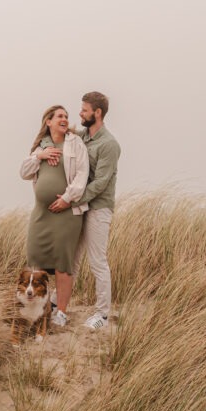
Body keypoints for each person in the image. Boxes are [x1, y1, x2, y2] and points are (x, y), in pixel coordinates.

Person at [18, 105, 90, 327]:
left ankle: (61, 312)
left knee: (62, 262)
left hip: (67, 213)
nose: (65, 119)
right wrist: (40, 156)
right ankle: (37, 309)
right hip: (41, 214)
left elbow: (82, 174)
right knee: (35, 258)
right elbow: (24, 172)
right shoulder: (41, 146)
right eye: (59, 116)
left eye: (66, 116)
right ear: (48, 121)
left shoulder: (74, 143)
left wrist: (67, 198)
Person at [65, 91, 120, 330]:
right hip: (80, 205)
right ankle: (59, 306)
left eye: (85, 110)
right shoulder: (82, 136)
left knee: (97, 261)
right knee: (72, 259)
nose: (80, 113)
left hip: (98, 208)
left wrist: (73, 200)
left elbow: (101, 182)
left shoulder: (110, 145)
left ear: (97, 113)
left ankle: (102, 315)